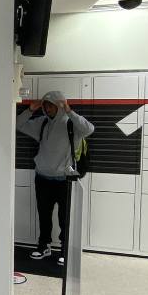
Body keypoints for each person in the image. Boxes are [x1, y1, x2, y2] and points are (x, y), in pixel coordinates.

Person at [16, 91, 93, 265]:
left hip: (64, 179)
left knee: (64, 218)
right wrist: (29, 110)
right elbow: (19, 124)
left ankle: (66, 251)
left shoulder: (71, 124)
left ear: (59, 106)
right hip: (42, 177)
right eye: (45, 106)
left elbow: (89, 128)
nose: (47, 109)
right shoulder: (42, 123)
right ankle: (44, 246)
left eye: (51, 105)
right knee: (44, 215)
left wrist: (69, 111)